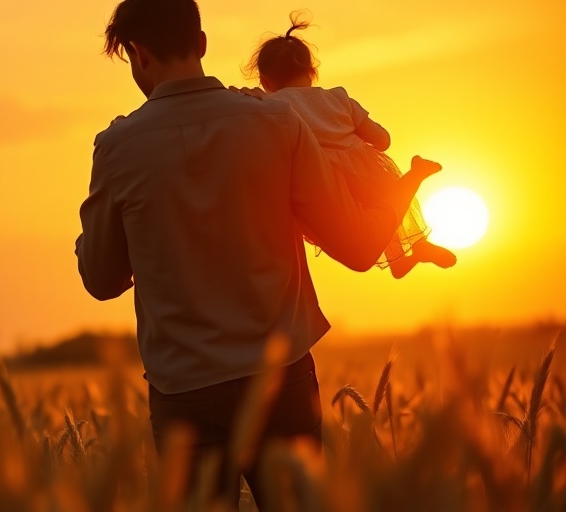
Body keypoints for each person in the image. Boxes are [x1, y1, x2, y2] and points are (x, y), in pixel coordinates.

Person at [75, 0, 430, 507]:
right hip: (282, 381)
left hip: (184, 395)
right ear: (201, 44)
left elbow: (101, 278)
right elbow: (357, 247)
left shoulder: (117, 148)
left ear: (136, 53)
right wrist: (404, 186)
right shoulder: (278, 123)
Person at [241, 13, 457, 278]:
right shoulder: (338, 97)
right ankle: (414, 246)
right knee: (386, 202)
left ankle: (404, 253)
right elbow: (382, 140)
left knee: (353, 229)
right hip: (364, 171)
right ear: (312, 72)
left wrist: (249, 96)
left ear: (266, 81)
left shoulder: (275, 105)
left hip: (327, 180)